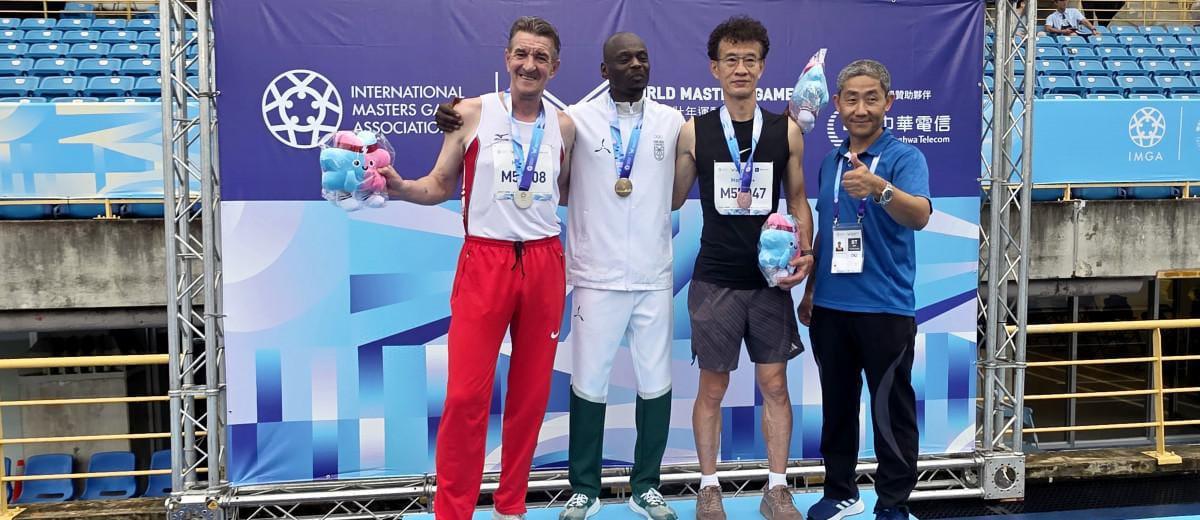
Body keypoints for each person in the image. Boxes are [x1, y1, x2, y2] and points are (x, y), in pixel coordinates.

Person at [440, 31, 685, 520]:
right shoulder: (575, 120)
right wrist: (453, 114)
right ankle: (584, 488)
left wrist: (790, 120)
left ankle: (646, 486)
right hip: (591, 273)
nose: (635, 65)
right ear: (603, 71)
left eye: (642, 58)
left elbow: (709, 151)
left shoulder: (674, 121)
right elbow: (554, 182)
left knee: (655, 382)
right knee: (587, 383)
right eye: (623, 59)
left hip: (653, 274)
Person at [379, 16, 576, 520]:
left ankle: (511, 506)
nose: (529, 65)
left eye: (540, 57)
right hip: (485, 261)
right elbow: (439, 185)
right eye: (521, 54)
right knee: (466, 395)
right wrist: (400, 187)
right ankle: (453, 511)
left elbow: (567, 193)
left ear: (555, 67)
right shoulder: (471, 113)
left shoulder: (564, 126)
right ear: (507, 58)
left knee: (531, 395)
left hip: (544, 261)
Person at [671, 15, 813, 520]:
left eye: (750, 60)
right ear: (715, 68)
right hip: (715, 280)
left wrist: (805, 256)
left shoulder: (784, 130)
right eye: (730, 59)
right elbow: (671, 197)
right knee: (713, 388)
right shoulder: (694, 132)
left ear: (762, 67)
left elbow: (798, 200)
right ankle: (709, 487)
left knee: (775, 385)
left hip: (769, 282)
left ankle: (776, 488)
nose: (740, 68)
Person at [796, 59, 932, 520]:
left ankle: (892, 502)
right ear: (836, 104)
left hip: (886, 308)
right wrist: (811, 291)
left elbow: (919, 216)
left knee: (890, 411)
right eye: (851, 99)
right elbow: (827, 232)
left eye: (871, 98)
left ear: (888, 102)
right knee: (837, 407)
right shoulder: (829, 163)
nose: (860, 108)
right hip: (831, 308)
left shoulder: (905, 158)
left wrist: (879, 188)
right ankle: (840, 491)